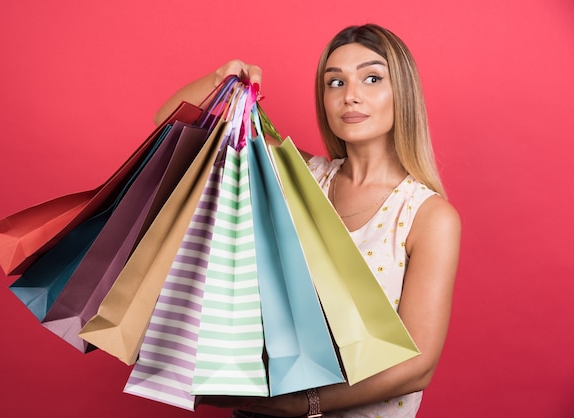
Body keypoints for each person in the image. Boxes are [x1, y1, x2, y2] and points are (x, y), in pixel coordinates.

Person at [154, 23, 461, 418]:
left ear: (402, 92)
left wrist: (302, 404)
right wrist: (220, 81)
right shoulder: (297, 176)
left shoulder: (427, 215)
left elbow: (416, 365)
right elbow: (174, 132)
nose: (351, 96)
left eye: (371, 78)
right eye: (335, 83)